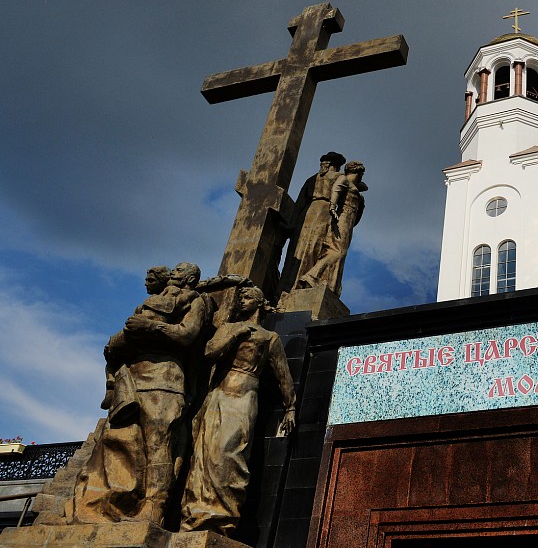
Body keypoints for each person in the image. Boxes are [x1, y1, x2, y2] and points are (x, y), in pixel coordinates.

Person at [73, 262, 211, 527]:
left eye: (180, 270)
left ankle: (153, 507)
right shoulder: (150, 302)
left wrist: (150, 328)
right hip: (134, 378)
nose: (174, 272)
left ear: (190, 278)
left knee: (159, 444)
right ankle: (112, 505)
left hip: (166, 378)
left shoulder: (196, 300)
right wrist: (119, 339)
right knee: (120, 441)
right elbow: (126, 337)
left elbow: (188, 335)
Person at [180, 286, 296, 535]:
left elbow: (282, 375)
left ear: (260, 303)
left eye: (248, 297)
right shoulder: (229, 328)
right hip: (218, 395)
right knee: (205, 455)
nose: (242, 300)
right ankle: (197, 512)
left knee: (230, 453)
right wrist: (235, 334)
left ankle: (223, 516)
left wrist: (291, 407)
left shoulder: (269, 337)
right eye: (241, 297)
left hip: (244, 397)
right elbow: (209, 353)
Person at [279, 151, 346, 294]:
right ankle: (300, 283)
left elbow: (299, 204)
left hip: (309, 213)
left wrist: (292, 224)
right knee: (313, 249)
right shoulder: (340, 178)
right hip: (323, 213)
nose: (322, 166)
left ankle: (292, 284)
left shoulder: (312, 179)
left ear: (328, 165)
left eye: (325, 163)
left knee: (303, 249)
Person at [298, 160, 366, 297]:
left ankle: (330, 285)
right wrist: (332, 206)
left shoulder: (356, 189)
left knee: (341, 253)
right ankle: (312, 276)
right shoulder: (344, 179)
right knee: (336, 251)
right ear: (358, 172)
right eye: (361, 173)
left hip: (348, 223)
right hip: (341, 218)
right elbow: (336, 189)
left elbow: (359, 212)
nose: (362, 176)